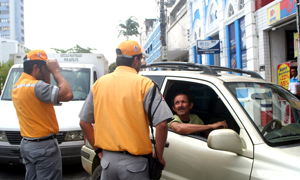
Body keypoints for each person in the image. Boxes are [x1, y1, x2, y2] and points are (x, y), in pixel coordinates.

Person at [79, 40, 173, 180]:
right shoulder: (145, 84)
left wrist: (98, 151)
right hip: (136, 167)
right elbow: (162, 124)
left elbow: (84, 123)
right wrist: (159, 156)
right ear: (135, 60)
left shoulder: (99, 84)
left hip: (107, 164)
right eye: (140, 59)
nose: (140, 63)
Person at [11, 50, 73, 180]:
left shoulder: (18, 86)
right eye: (45, 69)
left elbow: (46, 91)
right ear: (35, 67)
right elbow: (67, 94)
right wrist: (55, 71)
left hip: (27, 144)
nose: (47, 72)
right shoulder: (37, 87)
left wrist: (47, 72)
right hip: (43, 147)